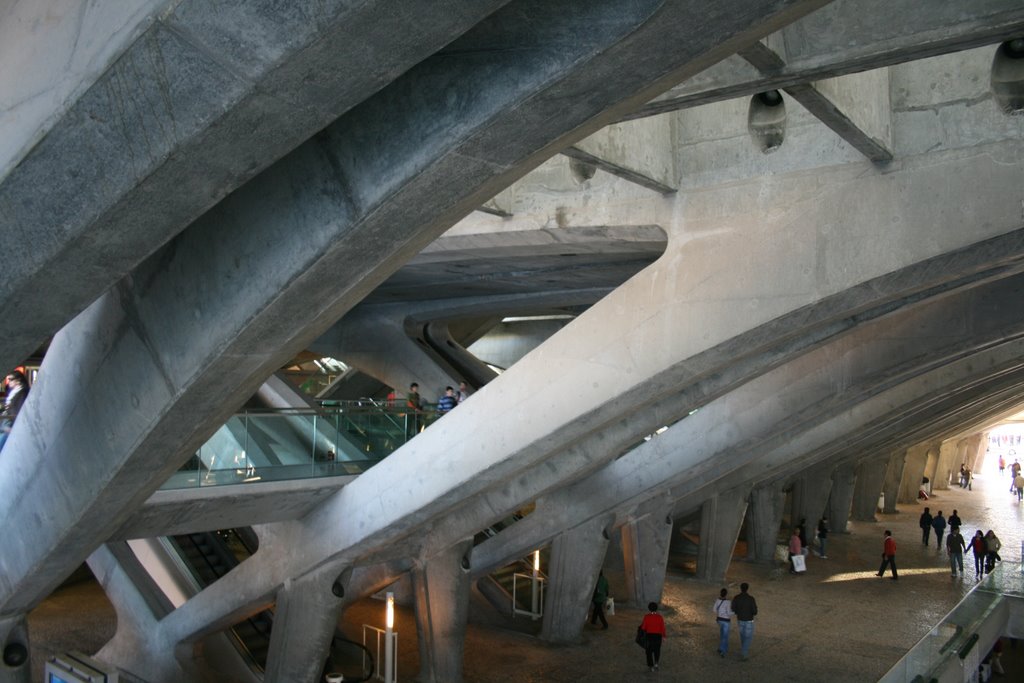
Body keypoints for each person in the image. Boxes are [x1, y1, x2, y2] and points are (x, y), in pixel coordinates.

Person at [0, 370, 30, 453]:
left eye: (10, 379)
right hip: (8, 422)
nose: (8, 381)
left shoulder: (22, 393)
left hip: (11, 423)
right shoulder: (15, 392)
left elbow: (19, 409)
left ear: (18, 380)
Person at [730, 582, 758, 661]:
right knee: (748, 637)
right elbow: (755, 611)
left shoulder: (736, 598)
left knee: (742, 636)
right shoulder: (751, 599)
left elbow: (733, 608)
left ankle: (744, 649)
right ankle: (744, 653)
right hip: (749, 620)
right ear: (747, 589)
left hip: (740, 620)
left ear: (741, 588)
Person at [640, 602, 666, 672]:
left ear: (649, 609)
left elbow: (643, 628)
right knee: (657, 650)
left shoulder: (646, 617)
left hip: (649, 636)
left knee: (649, 652)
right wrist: (663, 636)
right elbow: (662, 628)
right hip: (658, 636)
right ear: (656, 609)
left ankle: (651, 666)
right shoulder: (660, 617)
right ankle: (656, 663)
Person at [713, 588, 731, 657]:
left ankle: (722, 648)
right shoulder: (728, 602)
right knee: (725, 636)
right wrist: (734, 612)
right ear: (726, 594)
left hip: (719, 620)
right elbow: (729, 613)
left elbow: (714, 610)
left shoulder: (718, 600)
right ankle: (723, 651)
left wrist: (720, 613)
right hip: (726, 620)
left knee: (722, 634)